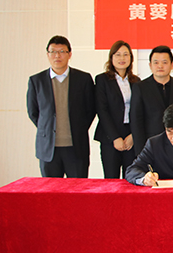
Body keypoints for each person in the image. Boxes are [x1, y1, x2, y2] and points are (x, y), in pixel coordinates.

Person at [26, 35, 95, 178]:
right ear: (47, 54)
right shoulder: (36, 81)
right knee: (51, 189)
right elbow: (33, 112)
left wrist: (78, 128)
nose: (57, 56)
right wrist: (47, 128)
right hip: (48, 149)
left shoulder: (83, 79)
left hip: (76, 147)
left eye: (62, 51)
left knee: (77, 189)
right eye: (53, 51)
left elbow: (91, 109)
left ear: (70, 54)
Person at [94, 40, 141, 179]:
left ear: (131, 58)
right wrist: (114, 137)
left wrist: (133, 135)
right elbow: (102, 110)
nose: (122, 58)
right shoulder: (102, 80)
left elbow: (139, 111)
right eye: (118, 54)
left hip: (130, 135)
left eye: (126, 54)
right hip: (110, 136)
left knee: (130, 177)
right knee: (111, 179)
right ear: (111, 57)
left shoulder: (136, 82)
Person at [130, 45, 173, 143]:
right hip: (151, 143)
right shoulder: (140, 88)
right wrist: (141, 149)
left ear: (172, 65)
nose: (160, 66)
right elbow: (136, 121)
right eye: (156, 62)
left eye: (164, 62)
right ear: (150, 65)